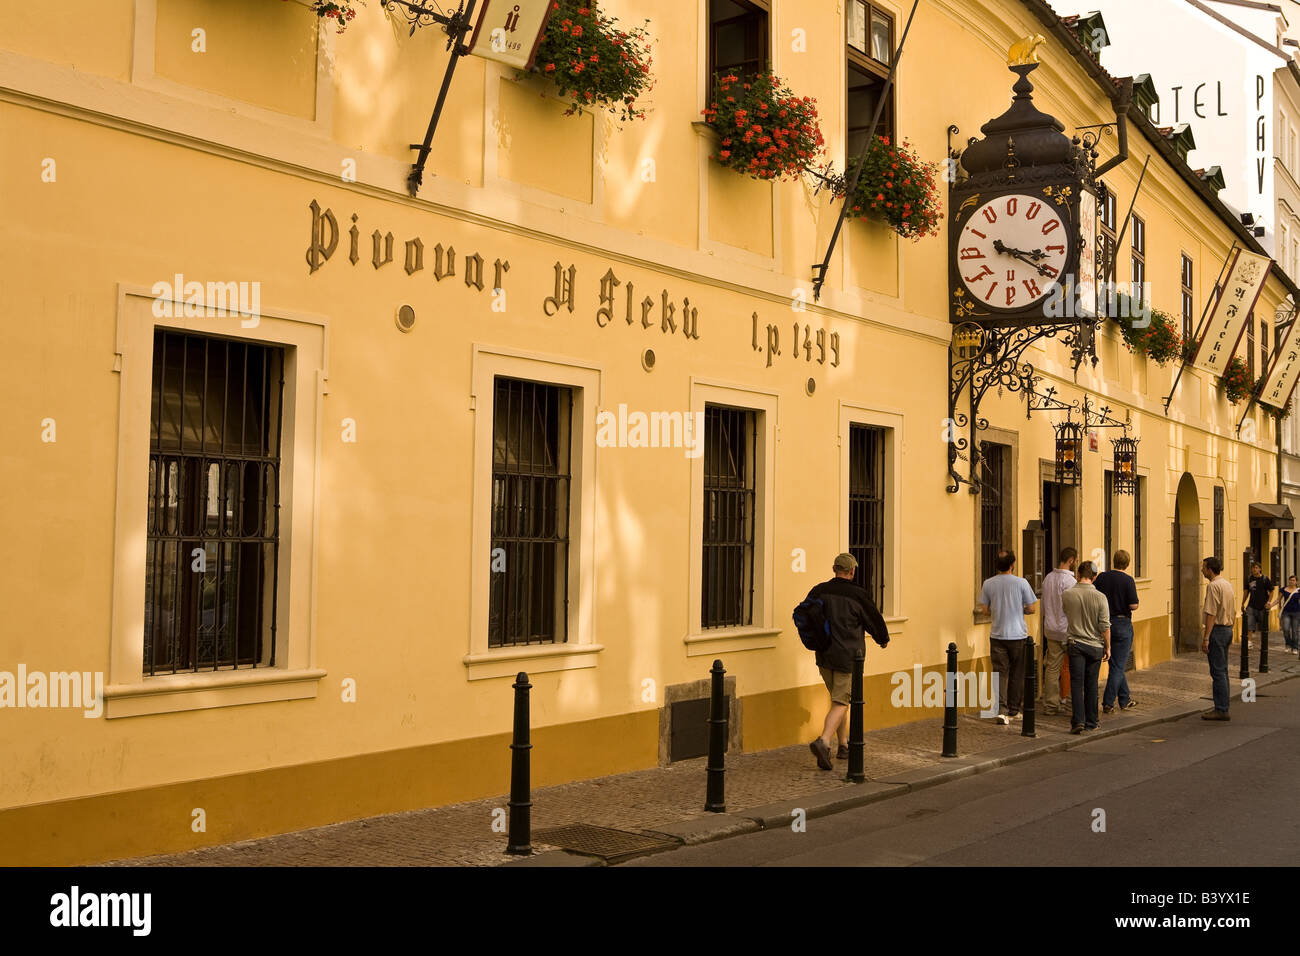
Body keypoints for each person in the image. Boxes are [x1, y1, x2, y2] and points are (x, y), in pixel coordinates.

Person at [805, 553, 890, 770]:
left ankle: (843, 745)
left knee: (837, 701)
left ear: (835, 569)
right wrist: (883, 639)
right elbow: (873, 619)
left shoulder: (819, 590)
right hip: (847, 657)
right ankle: (823, 741)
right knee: (842, 702)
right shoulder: (857, 595)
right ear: (851, 571)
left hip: (824, 655)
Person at [978, 550, 1038, 725]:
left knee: (1000, 673)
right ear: (1013, 565)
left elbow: (984, 610)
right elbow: (1032, 608)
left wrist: (997, 610)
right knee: (1017, 674)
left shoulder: (988, 583)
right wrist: (1021, 609)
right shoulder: (1022, 583)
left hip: (997, 634)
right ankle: (1013, 709)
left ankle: (1001, 710)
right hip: (1018, 634)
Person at [1061, 560, 1111, 733]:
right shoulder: (1101, 597)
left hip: (1075, 643)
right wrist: (1108, 647)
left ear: (1078, 574)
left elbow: (1067, 613)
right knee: (1091, 684)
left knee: (1076, 684)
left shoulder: (1067, 594)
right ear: (1094, 576)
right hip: (1095, 645)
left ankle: (1078, 721)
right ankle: (1092, 721)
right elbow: (1105, 626)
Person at [1096, 550, 1140, 714]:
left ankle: (1125, 699)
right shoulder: (1128, 580)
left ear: (1113, 561)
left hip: (1104, 623)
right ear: (1127, 564)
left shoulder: (1102, 577)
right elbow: (1133, 605)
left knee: (1115, 664)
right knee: (1118, 666)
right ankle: (1108, 702)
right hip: (1122, 623)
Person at [1039, 547, 1077, 716]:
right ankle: (1071, 703)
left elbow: (1043, 605)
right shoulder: (1070, 582)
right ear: (1071, 560)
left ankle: (1051, 705)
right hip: (1066, 630)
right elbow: (1072, 608)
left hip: (1050, 628)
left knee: (1052, 669)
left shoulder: (1048, 578)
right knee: (1075, 667)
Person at [1201, 556, 1235, 721]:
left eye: (1204, 567)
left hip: (1218, 631)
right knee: (1223, 670)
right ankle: (1223, 705)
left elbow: (1211, 613)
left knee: (1218, 672)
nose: (1202, 570)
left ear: (1210, 569)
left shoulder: (1213, 586)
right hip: (1227, 629)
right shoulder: (1227, 584)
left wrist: (1206, 637)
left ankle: (1221, 709)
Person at [1241, 561, 1273, 652]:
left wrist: (1269, 602)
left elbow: (1271, 591)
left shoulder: (1265, 579)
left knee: (1263, 626)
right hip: (1251, 605)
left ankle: (1264, 644)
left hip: (1263, 606)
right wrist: (1243, 603)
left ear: (1259, 569)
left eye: (1256, 568)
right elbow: (1246, 592)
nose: (1254, 569)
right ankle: (1249, 642)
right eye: (1253, 568)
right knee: (1250, 625)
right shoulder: (1249, 579)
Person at [1267, 574, 1300, 655]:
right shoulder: (1283, 590)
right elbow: (1278, 600)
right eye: (1290, 580)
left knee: (1295, 631)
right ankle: (1288, 644)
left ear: (1296, 582)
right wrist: (1271, 605)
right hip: (1286, 612)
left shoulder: (1298, 591)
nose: (1291, 582)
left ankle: (1295, 647)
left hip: (1296, 612)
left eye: (1293, 580)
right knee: (1285, 629)